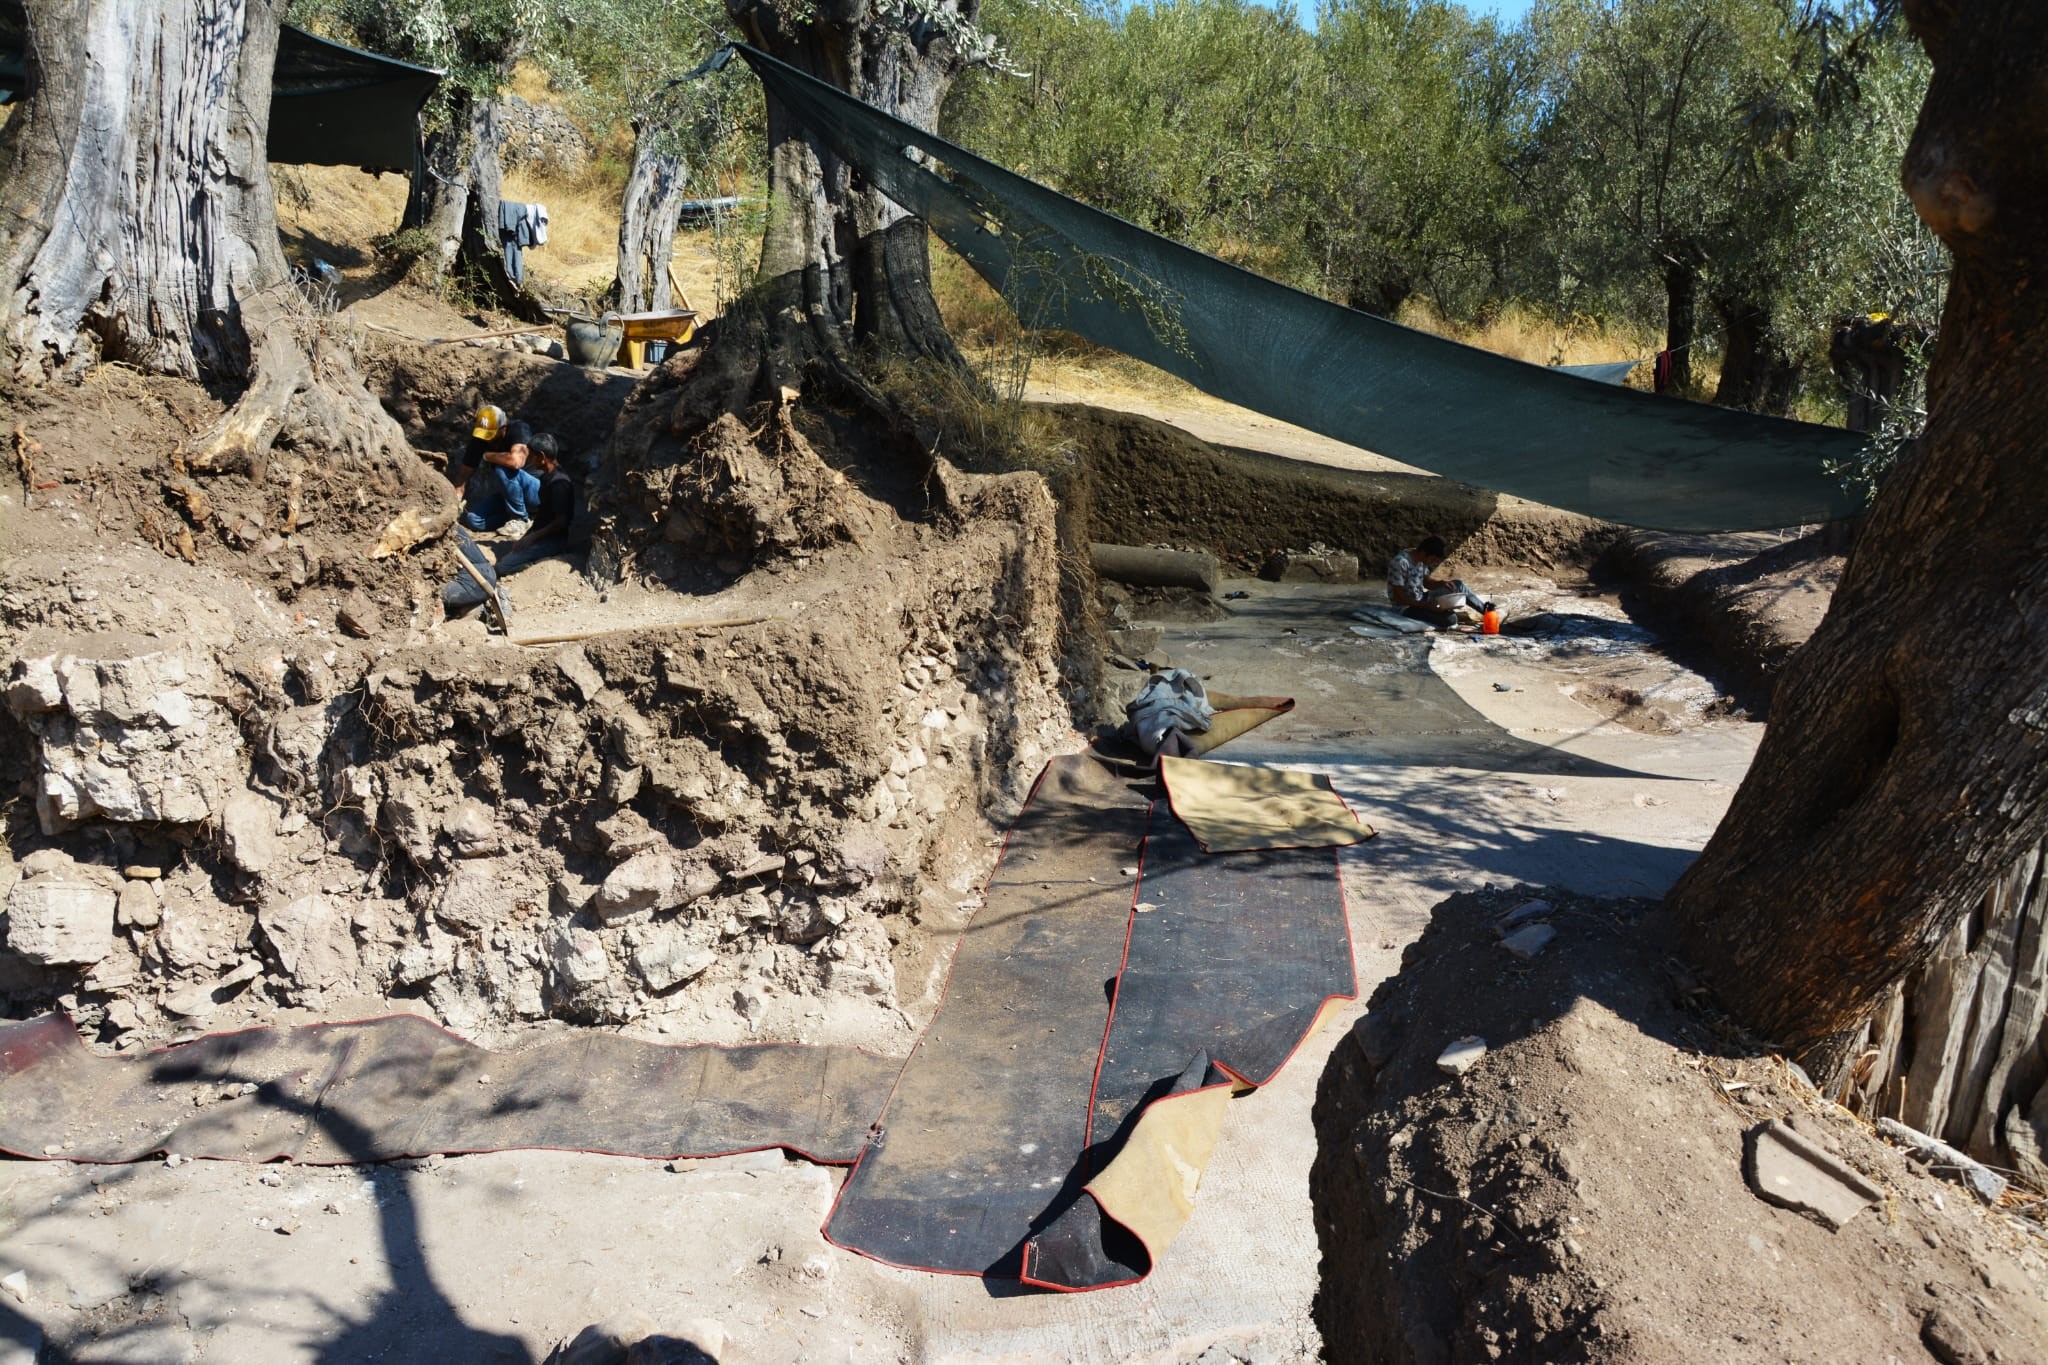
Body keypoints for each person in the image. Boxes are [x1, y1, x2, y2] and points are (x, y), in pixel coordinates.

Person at [444, 433, 582, 612]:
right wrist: (527, 536)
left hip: (554, 540)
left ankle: (535, 561)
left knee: (502, 566)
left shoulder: (559, 485)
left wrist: (531, 539)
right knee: (513, 550)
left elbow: (561, 522)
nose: (529, 459)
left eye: (531, 455)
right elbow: (543, 517)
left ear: (541, 456)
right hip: (542, 535)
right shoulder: (548, 477)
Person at [457, 408, 540, 534]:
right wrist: (455, 501)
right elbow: (463, 475)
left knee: (504, 467)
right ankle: (525, 518)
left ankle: (520, 520)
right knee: (473, 519)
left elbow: (516, 462)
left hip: (537, 493)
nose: (486, 439)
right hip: (511, 497)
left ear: (503, 428)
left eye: (490, 434)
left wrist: (487, 456)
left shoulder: (519, 429)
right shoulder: (479, 440)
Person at [1387, 535, 1491, 630]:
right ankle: (1444, 614)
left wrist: (1441, 584)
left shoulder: (1421, 560)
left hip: (1421, 599)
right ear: (1424, 553)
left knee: (1458, 585)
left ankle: (1488, 612)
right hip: (1406, 608)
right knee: (1451, 619)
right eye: (1433, 559)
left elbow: (1427, 583)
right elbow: (1399, 598)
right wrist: (1426, 606)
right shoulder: (1400, 562)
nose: (1434, 562)